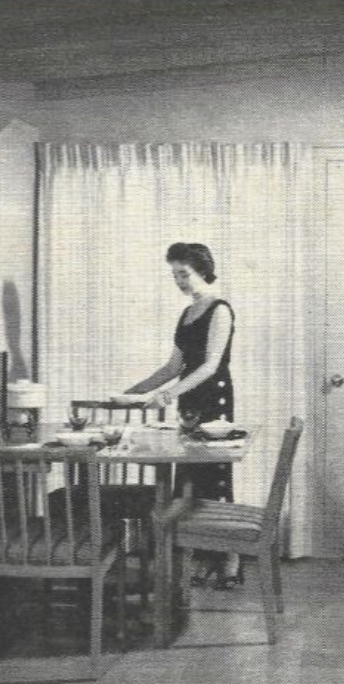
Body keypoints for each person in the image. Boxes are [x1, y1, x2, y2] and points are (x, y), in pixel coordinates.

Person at [125, 242, 241, 589]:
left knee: (214, 480)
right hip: (189, 401)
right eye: (175, 275)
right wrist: (136, 391)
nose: (179, 281)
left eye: (184, 274)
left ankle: (230, 562)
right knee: (188, 481)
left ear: (202, 270)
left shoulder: (220, 309)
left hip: (213, 400)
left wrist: (167, 394)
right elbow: (174, 366)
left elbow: (210, 365)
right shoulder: (187, 313)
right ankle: (204, 559)